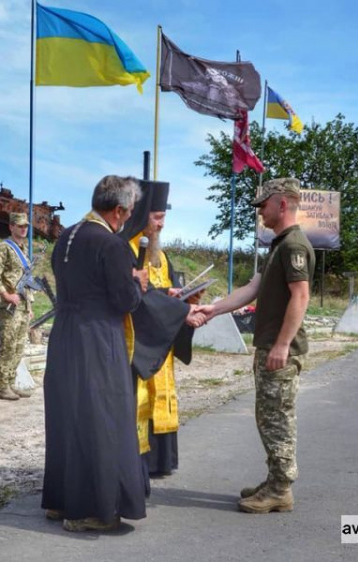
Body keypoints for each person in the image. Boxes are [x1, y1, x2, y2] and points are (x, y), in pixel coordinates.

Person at [197, 178, 315, 513]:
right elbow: (253, 289)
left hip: (280, 350)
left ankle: (280, 489)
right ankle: (274, 479)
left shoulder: (293, 246)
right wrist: (214, 309)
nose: (260, 212)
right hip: (269, 346)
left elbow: (301, 296)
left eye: (263, 205)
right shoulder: (279, 244)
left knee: (277, 417)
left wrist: (282, 345)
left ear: (282, 204)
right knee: (267, 416)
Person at [41, 175, 147, 532]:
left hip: (65, 334)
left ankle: (60, 500)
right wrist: (138, 282)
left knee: (67, 415)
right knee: (100, 418)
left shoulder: (66, 236)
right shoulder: (112, 245)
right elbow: (124, 300)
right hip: (98, 338)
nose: (129, 217)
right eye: (129, 212)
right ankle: (90, 509)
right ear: (118, 210)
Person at [120, 180, 199, 477]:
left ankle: (162, 460)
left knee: (163, 395)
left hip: (161, 339)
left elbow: (163, 290)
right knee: (140, 397)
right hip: (139, 341)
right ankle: (141, 460)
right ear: (141, 216)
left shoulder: (161, 256)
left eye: (164, 218)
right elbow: (137, 297)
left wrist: (185, 299)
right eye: (156, 218)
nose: (161, 225)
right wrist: (175, 307)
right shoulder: (126, 249)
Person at [0, 212, 34, 400]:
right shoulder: (4, 247)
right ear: (11, 226)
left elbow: (25, 280)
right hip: (9, 305)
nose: (24, 229)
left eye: (26, 226)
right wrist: (5, 295)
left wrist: (30, 306)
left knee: (19, 346)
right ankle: (2, 385)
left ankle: (11, 382)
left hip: (23, 305)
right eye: (20, 226)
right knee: (8, 345)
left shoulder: (24, 249)